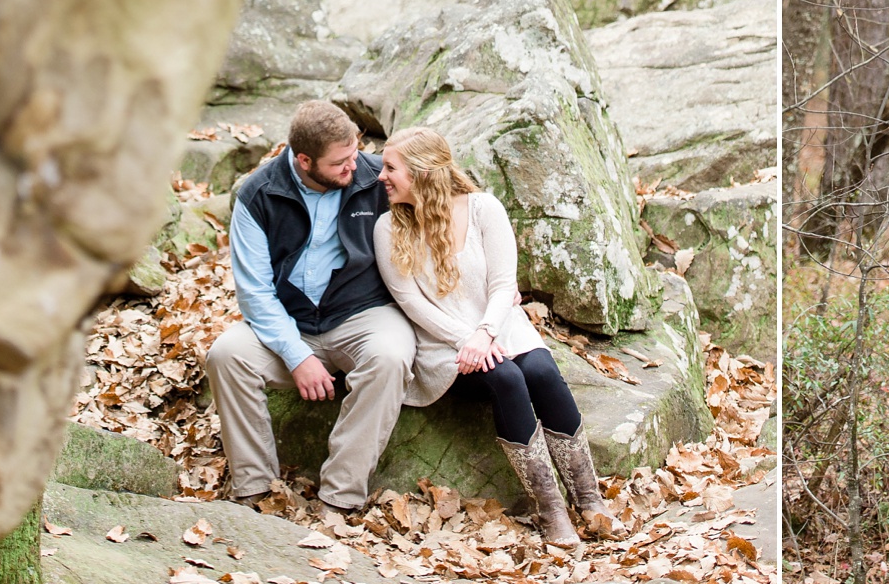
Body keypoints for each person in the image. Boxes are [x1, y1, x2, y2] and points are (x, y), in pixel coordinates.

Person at [373, 125, 613, 548]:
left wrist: (485, 332)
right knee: (506, 378)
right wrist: (469, 340)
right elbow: (413, 304)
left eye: (391, 168)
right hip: (444, 345)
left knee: (540, 369)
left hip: (499, 327)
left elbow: (505, 285)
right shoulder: (387, 230)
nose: (381, 177)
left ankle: (589, 499)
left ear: (423, 172)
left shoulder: (483, 208)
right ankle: (551, 510)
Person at [206, 100, 436, 515]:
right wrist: (297, 356)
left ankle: (339, 497)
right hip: (288, 319)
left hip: (362, 312)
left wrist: (497, 285)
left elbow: (447, 211)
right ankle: (255, 491)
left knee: (390, 356)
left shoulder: (371, 177)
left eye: (355, 153)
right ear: (304, 160)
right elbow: (255, 293)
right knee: (226, 355)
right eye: (340, 163)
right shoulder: (258, 195)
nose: (354, 166)